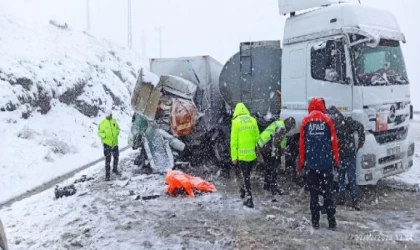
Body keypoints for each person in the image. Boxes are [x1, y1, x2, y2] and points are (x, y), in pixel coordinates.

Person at [298, 98, 340, 230]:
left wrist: (301, 164)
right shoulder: (327, 120)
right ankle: (331, 221)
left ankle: (315, 221)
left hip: (312, 166)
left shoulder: (305, 121)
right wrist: (336, 161)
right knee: (328, 193)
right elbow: (334, 143)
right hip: (326, 165)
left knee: (314, 194)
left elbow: (302, 146)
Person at [327, 106, 365, 211]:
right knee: (346, 178)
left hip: (345, 155)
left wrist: (361, 141)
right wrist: (361, 140)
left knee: (344, 178)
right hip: (345, 155)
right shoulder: (344, 122)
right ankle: (352, 200)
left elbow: (360, 127)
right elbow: (360, 127)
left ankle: (348, 199)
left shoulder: (341, 123)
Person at [230, 103, 260, 208]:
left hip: (242, 156)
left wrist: (234, 157)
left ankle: (249, 198)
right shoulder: (253, 120)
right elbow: (257, 138)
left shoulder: (236, 122)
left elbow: (233, 141)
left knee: (244, 177)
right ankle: (245, 193)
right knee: (247, 176)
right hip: (251, 156)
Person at [257, 117, 296, 195]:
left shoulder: (280, 124)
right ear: (288, 125)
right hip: (266, 146)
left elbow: (283, 140)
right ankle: (273, 188)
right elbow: (275, 143)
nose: (290, 129)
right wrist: (276, 155)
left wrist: (282, 149)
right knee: (273, 167)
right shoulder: (281, 128)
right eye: (291, 127)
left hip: (262, 144)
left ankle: (267, 185)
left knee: (268, 166)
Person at [98, 109, 121, 181]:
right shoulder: (103, 123)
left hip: (115, 143)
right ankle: (107, 176)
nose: (111, 116)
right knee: (108, 160)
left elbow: (118, 128)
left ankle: (115, 169)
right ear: (107, 115)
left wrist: (116, 133)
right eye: (110, 115)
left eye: (111, 115)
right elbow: (99, 132)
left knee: (116, 157)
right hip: (107, 144)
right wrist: (104, 135)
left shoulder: (114, 121)